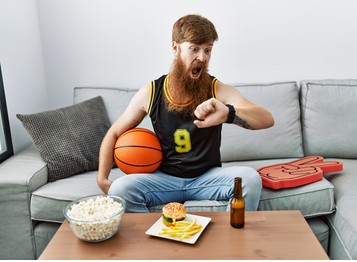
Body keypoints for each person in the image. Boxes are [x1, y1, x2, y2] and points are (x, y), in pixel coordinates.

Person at [97, 14, 274, 212]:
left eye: (208, 50)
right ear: (175, 48)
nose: (202, 57)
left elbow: (266, 119)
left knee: (250, 179)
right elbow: (114, 133)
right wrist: (102, 178)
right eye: (194, 49)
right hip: (164, 180)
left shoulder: (217, 89)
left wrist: (228, 114)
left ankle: (231, 239)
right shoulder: (152, 92)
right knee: (120, 188)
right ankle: (151, 238)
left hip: (208, 178)